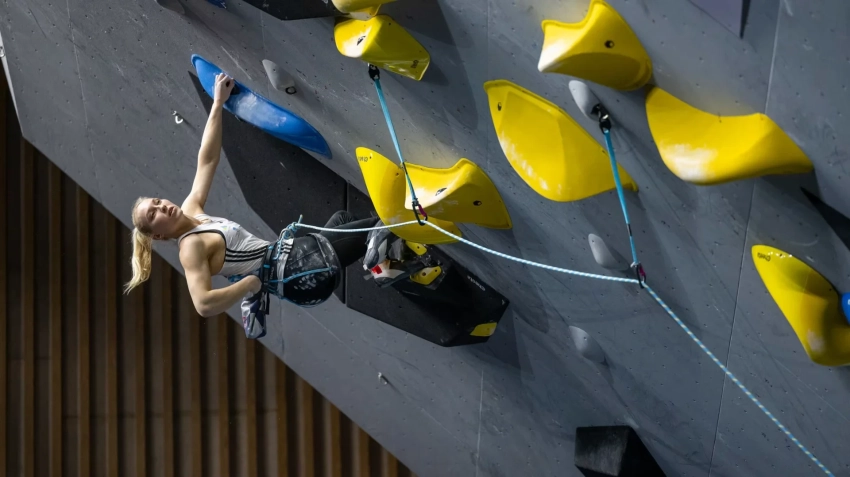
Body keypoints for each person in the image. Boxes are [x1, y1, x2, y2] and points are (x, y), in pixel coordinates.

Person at [123, 72, 399, 338]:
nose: (162, 207)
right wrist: (249, 285)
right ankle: (391, 262)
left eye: (157, 202)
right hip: (299, 269)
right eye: (154, 214)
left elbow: (206, 160)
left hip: (297, 260)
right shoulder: (190, 248)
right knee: (385, 226)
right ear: (158, 235)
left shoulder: (192, 209)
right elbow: (203, 305)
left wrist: (217, 104)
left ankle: (386, 266)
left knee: (343, 219)